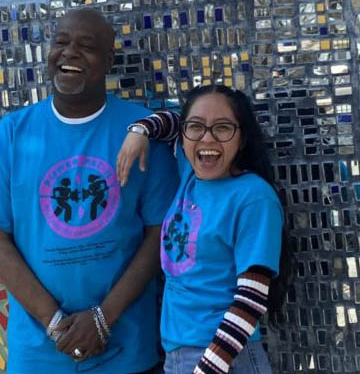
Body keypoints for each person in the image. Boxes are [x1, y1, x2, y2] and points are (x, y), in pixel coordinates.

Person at [0, 8, 178, 373]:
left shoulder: (140, 133)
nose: (69, 53)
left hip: (125, 350)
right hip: (38, 354)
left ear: (109, 60)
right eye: (61, 42)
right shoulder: (12, 134)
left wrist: (103, 318)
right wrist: (54, 324)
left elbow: (160, 233)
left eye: (87, 46)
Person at [116, 85, 291, 374]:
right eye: (196, 128)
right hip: (180, 355)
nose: (207, 138)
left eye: (223, 128)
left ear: (242, 137)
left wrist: (208, 368)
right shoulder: (190, 173)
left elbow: (252, 300)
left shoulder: (253, 197)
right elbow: (172, 122)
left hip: (223, 358)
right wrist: (140, 130)